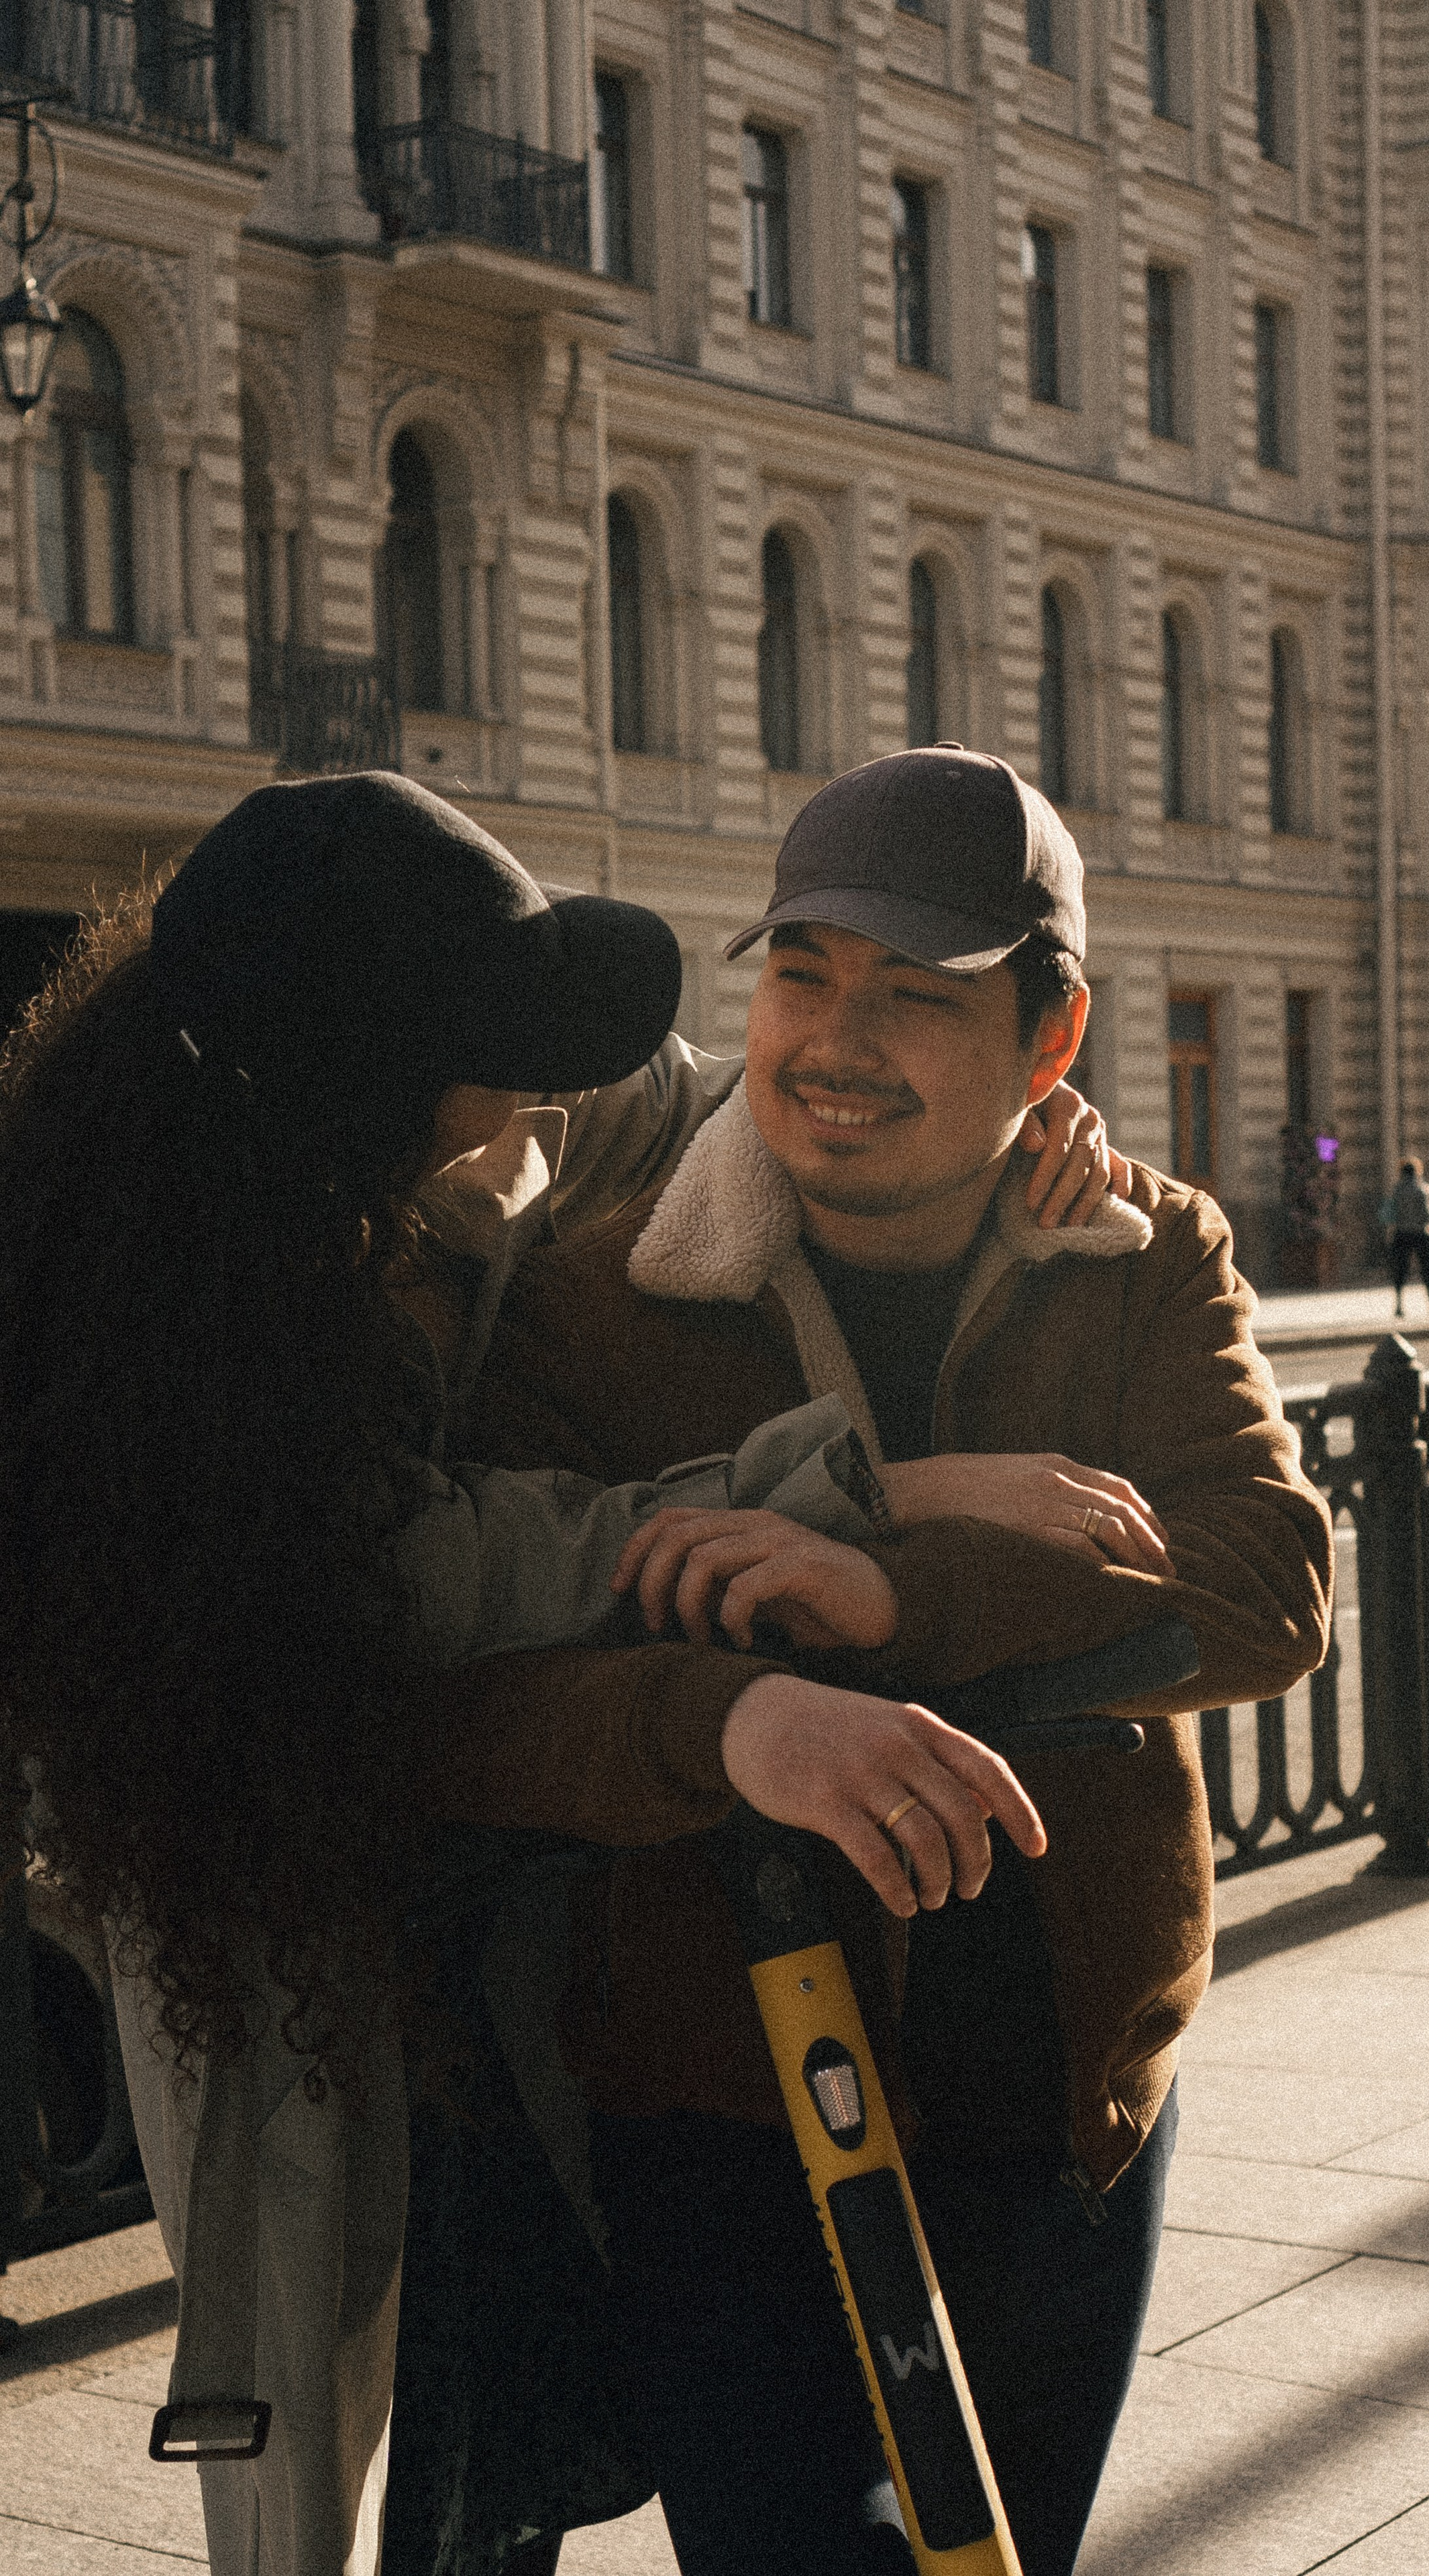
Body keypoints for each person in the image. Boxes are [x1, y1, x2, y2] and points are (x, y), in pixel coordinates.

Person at [0, 773, 1137, 2576]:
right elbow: (434, 1570)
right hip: (240, 1853)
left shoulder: (438, 1129)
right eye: (504, 1047)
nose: (548, 1079)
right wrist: (847, 1479)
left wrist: (1025, 1130)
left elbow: (719, 1102)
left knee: (505, 2340)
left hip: (482, 1847)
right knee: (308, 2335)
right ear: (369, 1099)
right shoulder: (155, 1308)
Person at [451, 745, 1335, 2576]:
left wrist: (890, 1594)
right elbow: (481, 1704)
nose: (834, 1043)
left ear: (1050, 1036)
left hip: (1060, 2090)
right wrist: (733, 1720)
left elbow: (1266, 1583)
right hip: (712, 2103)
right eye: (801, 976)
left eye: (915, 997)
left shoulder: (1145, 1256)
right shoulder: (600, 1296)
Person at [1385, 1155, 1429, 1318]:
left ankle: (1399, 1306)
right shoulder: (1423, 1189)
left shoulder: (1397, 1190)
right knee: (1427, 1269)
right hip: (1421, 1234)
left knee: (1400, 1270)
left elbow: (1390, 1213)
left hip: (1401, 1234)